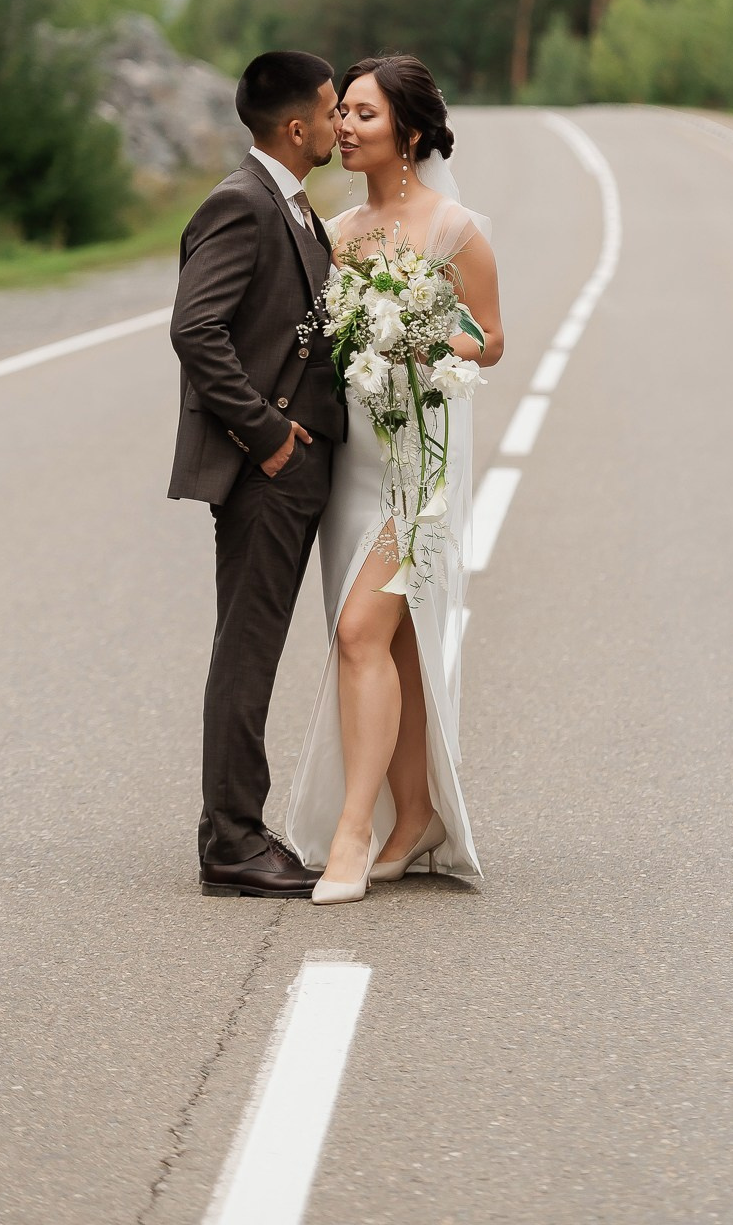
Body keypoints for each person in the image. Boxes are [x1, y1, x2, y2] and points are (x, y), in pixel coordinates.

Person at [286, 54, 504, 904]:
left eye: (363, 115)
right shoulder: (335, 236)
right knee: (396, 645)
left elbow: (489, 338)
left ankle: (352, 832)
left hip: (420, 464)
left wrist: (423, 340)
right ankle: (414, 817)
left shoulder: (456, 230)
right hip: (353, 468)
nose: (343, 127)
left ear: (407, 132)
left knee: (357, 633)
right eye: (341, 112)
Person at [167, 50, 345, 897]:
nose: (342, 122)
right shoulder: (241, 204)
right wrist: (268, 435)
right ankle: (231, 841)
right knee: (247, 651)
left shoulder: (294, 205)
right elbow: (196, 330)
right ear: (298, 124)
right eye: (333, 108)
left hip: (298, 468)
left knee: (256, 648)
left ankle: (236, 827)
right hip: (265, 471)